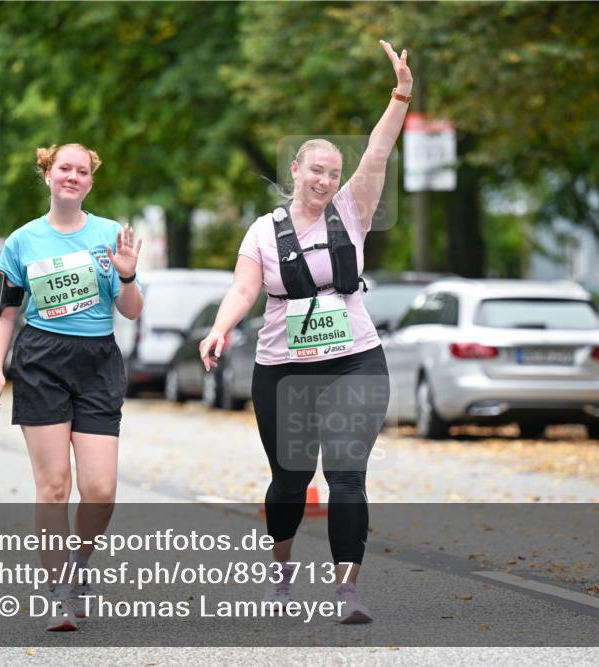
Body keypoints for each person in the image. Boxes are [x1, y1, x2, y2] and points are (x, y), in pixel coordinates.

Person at [199, 40, 412, 625]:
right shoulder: (262, 233)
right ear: (295, 170)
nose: (324, 180)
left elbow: (378, 151)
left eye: (332, 173)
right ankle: (283, 566)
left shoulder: (353, 210)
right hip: (284, 367)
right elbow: (244, 290)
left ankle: (347, 593)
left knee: (347, 475)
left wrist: (400, 96)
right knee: (291, 481)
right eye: (315, 170)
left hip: (354, 360)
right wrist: (219, 329)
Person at [0, 143, 143, 631]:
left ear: (90, 181)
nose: (71, 177)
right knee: (54, 487)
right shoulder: (21, 241)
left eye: (81, 171)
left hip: (97, 361)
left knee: (100, 489)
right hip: (42, 360)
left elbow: (131, 310)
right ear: (47, 175)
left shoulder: (110, 235)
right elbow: (4, 311)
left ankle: (78, 567)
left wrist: (129, 275)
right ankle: (57, 592)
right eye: (63, 169)